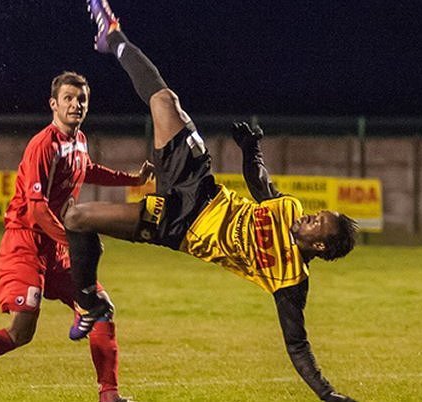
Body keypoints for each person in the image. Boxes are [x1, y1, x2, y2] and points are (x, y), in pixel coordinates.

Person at [62, 1, 360, 401]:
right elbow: (261, 186)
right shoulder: (288, 210)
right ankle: (112, 36)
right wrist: (251, 150)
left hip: (178, 226)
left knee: (78, 218)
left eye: (319, 222)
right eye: (318, 213)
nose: (311, 216)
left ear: (320, 245)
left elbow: (298, 346)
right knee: (166, 101)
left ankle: (89, 304)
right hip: (201, 187)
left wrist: (328, 394)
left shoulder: (290, 281)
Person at [0, 71, 152, 402]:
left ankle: (109, 396)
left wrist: (132, 180)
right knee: (21, 331)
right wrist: (75, 243)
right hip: (25, 243)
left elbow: (87, 169)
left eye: (81, 98)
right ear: (53, 104)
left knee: (101, 306)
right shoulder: (43, 145)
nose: (76, 104)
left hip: (56, 246)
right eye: (68, 98)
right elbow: (37, 209)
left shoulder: (79, 140)